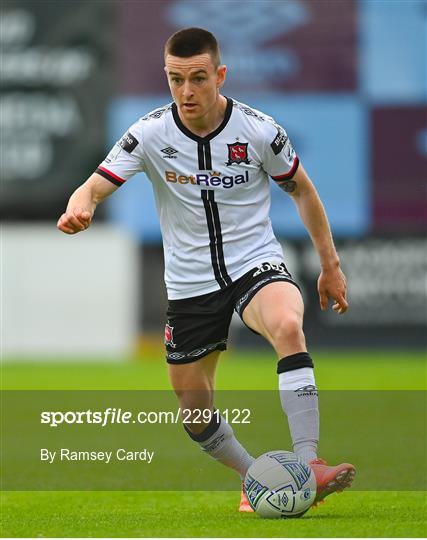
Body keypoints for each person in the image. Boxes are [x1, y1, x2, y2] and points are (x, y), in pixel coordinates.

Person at [57, 27, 355, 512]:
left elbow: (302, 189)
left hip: (253, 263)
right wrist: (80, 208)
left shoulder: (259, 131)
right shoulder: (150, 133)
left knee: (286, 322)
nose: (186, 92)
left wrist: (331, 266)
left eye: (198, 78)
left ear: (220, 75)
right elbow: (91, 185)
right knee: (195, 414)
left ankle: (308, 462)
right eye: (175, 80)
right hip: (190, 284)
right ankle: (256, 477)